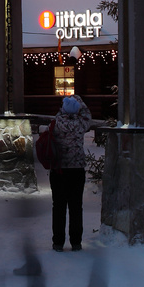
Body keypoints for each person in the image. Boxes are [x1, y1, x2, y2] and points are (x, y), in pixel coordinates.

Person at [49, 95, 93, 252]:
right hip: (76, 169)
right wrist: (79, 100)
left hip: (59, 169)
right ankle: (76, 242)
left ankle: (58, 242)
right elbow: (88, 116)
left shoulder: (57, 122)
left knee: (58, 206)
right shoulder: (81, 124)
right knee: (76, 207)